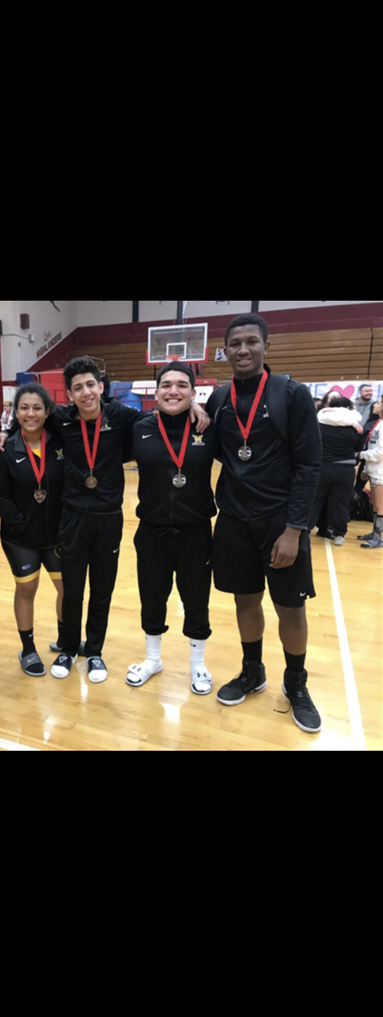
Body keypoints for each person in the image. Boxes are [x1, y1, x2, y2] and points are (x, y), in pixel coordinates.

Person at [0, 356, 208, 683]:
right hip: (73, 518)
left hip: (109, 519)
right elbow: (29, 421)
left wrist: (196, 409)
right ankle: (67, 647)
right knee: (73, 588)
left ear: (101, 387)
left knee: (102, 590)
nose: (85, 393)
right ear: (69, 395)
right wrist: (4, 434)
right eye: (77, 388)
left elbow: (164, 418)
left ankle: (93, 651)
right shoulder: (61, 420)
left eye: (90, 385)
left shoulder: (124, 418)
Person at [207, 313, 323, 735]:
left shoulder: (291, 394)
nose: (242, 349)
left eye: (251, 341)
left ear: (266, 346)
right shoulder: (219, 399)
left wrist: (295, 529)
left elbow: (310, 466)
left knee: (290, 607)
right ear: (225, 350)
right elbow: (221, 451)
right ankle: (252, 670)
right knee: (244, 600)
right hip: (235, 520)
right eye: (234, 343)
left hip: (280, 522)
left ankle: (296, 683)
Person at [126, 363, 216, 695]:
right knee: (152, 598)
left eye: (181, 385)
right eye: (166, 385)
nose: (173, 391)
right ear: (156, 391)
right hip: (151, 531)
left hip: (195, 532)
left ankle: (197, 665)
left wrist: (195, 410)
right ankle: (152, 659)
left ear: (194, 392)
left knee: (196, 600)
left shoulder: (208, 428)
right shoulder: (138, 427)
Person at [0, 384, 65, 676]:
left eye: (37, 408)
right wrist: (23, 525)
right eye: (24, 408)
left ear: (47, 411)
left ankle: (64, 640)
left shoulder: (60, 442)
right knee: (27, 588)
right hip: (21, 538)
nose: (31, 413)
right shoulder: (5, 448)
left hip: (58, 535)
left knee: (66, 588)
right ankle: (28, 648)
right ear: (15, 412)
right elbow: (0, 496)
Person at [310, 395, 363, 545]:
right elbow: (359, 448)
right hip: (345, 469)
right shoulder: (356, 427)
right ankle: (339, 534)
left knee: (314, 500)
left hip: (322, 467)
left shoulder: (318, 423)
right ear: (348, 408)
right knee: (341, 503)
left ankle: (304, 530)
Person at [357, 397, 383, 549]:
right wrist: (366, 469)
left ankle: (378, 537)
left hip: (381, 471)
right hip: (374, 469)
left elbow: (380, 452)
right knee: (374, 503)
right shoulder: (378, 423)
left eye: (379, 402)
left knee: (380, 505)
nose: (375, 404)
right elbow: (371, 446)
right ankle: (375, 533)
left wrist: (361, 455)